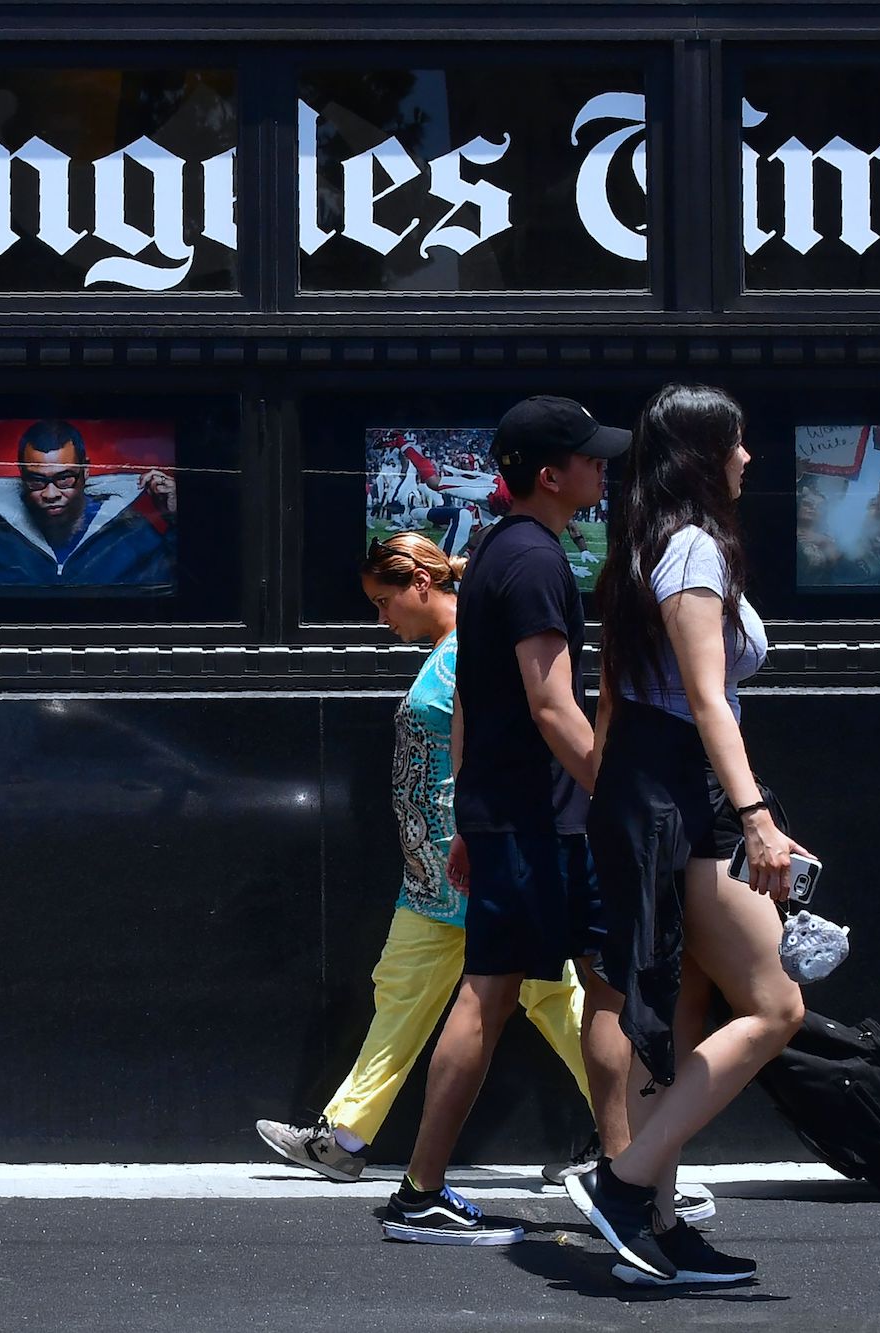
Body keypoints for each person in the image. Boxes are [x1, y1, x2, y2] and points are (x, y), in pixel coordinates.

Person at [255, 532, 603, 1186]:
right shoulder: (454, 647)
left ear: (422, 584)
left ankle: (628, 1138)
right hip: (435, 874)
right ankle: (346, 1135)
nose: (380, 617)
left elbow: (524, 737)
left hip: (484, 862)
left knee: (552, 994)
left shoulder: (481, 644)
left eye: (384, 600)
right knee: (403, 989)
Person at [377, 395, 633, 1245]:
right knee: (536, 992)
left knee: (573, 988)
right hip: (541, 820)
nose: (604, 468)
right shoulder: (534, 564)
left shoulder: (496, 553)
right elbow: (551, 704)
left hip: (512, 815)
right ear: (550, 474)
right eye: (590, 458)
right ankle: (432, 1191)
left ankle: (622, 1172)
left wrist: (462, 813)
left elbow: (469, 707)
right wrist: (614, 790)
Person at [570, 383, 809, 1286]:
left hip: (656, 789)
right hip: (685, 793)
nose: (750, 458)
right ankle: (627, 1186)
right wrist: (757, 818)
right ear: (707, 454)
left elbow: (620, 689)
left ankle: (655, 1227)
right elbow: (708, 699)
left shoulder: (644, 543)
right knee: (775, 1004)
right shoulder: (692, 550)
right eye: (739, 444)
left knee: (672, 1010)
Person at [0, 419, 176, 589]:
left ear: (87, 471)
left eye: (64, 479)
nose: (51, 494)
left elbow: (184, 587)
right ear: (21, 474)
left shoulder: (130, 531)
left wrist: (176, 519)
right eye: (36, 480)